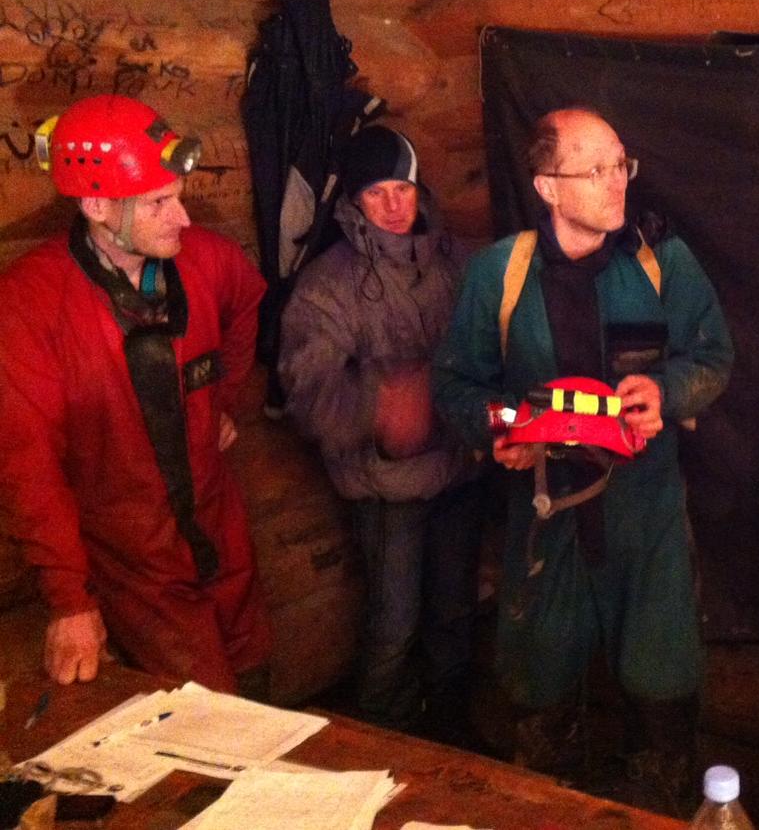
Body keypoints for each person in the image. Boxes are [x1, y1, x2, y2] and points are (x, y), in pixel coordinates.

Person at [433, 107, 733, 812]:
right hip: (545, 516)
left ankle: (658, 803)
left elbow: (714, 356)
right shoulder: (497, 276)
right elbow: (455, 384)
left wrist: (667, 389)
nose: (616, 183)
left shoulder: (664, 263)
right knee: (539, 680)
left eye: (621, 164)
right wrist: (496, 432)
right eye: (593, 170)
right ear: (547, 187)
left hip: (646, 512)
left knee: (660, 672)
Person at [0, 94, 270, 694]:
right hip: (137, 559)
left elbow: (249, 299)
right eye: (159, 202)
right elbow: (28, 465)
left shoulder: (204, 262)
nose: (183, 219)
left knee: (256, 678)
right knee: (212, 722)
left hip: (217, 526)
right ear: (96, 204)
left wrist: (227, 398)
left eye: (176, 195)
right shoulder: (30, 305)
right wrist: (70, 599)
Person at [278, 124, 480, 739]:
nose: (394, 205)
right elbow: (306, 391)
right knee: (393, 623)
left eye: (404, 188)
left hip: (461, 468)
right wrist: (380, 405)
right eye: (377, 193)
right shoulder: (328, 285)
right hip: (387, 488)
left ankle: (452, 736)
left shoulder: (459, 262)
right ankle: (385, 741)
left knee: (454, 611)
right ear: (352, 203)